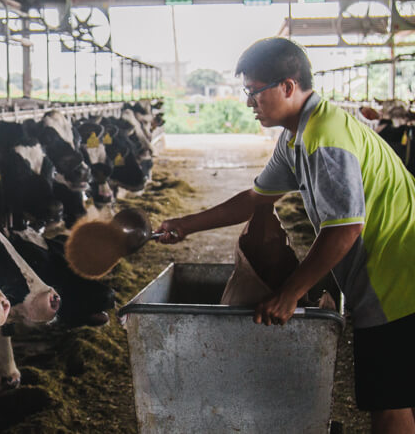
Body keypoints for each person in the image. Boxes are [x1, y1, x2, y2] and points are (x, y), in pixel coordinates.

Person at [158, 37, 415, 433]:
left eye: (253, 92)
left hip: (398, 276)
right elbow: (257, 199)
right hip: (393, 268)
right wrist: (185, 224)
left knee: (389, 402)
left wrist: (290, 293)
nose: (249, 103)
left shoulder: (324, 138)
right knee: (397, 395)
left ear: (288, 87)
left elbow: (344, 229)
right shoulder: (297, 135)